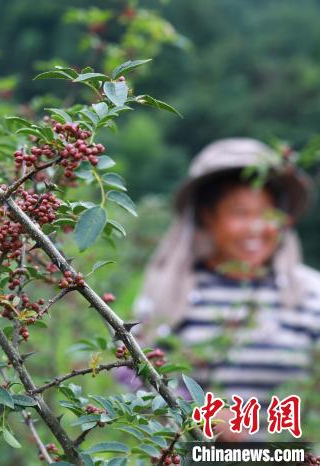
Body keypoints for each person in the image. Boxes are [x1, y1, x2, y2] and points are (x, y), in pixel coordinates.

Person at [117, 138, 320, 441]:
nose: (256, 227)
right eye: (240, 212)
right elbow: (130, 375)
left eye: (267, 213)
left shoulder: (309, 293)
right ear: (207, 216)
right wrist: (198, 411)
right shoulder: (172, 294)